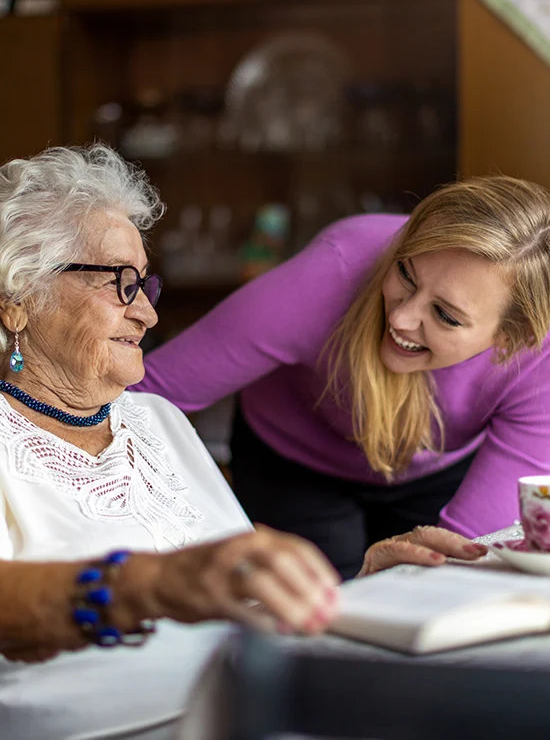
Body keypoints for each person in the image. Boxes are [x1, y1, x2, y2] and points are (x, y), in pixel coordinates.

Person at [0, 143, 485, 740]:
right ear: (17, 299)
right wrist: (151, 584)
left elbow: (237, 607)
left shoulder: (157, 420)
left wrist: (355, 587)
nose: (147, 317)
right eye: (119, 284)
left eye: (143, 286)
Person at [135, 176, 550, 579]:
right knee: (308, 618)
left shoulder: (541, 359)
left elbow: (465, 564)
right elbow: (141, 395)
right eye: (406, 273)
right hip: (293, 463)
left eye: (445, 315)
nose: (402, 318)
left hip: (439, 469)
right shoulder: (335, 269)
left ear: (514, 338)